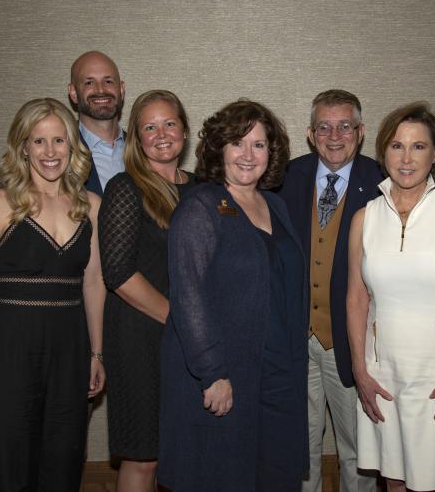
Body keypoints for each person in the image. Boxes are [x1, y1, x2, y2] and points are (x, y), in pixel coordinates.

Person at [159, 100, 308, 492]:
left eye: (258, 145)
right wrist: (212, 373)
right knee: (224, 476)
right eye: (237, 143)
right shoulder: (201, 208)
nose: (247, 155)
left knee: (275, 475)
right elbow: (188, 295)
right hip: (226, 375)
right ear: (218, 148)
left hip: (276, 370)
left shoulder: (274, 204)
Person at [0, 98, 106, 492]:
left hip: (70, 349)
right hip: (9, 347)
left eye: (59, 140)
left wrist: (96, 353)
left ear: (72, 146)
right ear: (22, 146)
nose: (50, 152)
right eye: (38, 141)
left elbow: (94, 283)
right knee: (9, 462)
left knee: (64, 458)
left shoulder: (91, 207)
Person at [346, 102, 435, 491]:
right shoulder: (365, 218)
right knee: (393, 478)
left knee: (434, 481)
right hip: (382, 372)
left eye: (418, 147)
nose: (406, 158)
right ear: (382, 153)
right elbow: (357, 298)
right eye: (396, 146)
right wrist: (360, 369)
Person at [277, 89, 382, 492]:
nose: (333, 135)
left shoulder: (382, 182)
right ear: (310, 133)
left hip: (352, 343)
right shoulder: (286, 178)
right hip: (297, 341)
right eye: (324, 126)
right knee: (299, 449)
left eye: (344, 126)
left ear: (360, 131)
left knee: (358, 450)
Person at [98, 90, 194, 492]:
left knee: (185, 450)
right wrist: (180, 321)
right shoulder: (126, 188)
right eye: (149, 127)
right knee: (144, 456)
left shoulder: (204, 190)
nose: (161, 134)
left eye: (169, 123)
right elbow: (118, 273)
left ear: (185, 132)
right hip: (141, 336)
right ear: (137, 138)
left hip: (191, 339)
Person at [68, 50, 126, 194]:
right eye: (89, 82)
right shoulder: (58, 152)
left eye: (108, 81)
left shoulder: (144, 149)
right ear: (74, 93)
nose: (100, 90)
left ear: (121, 89)